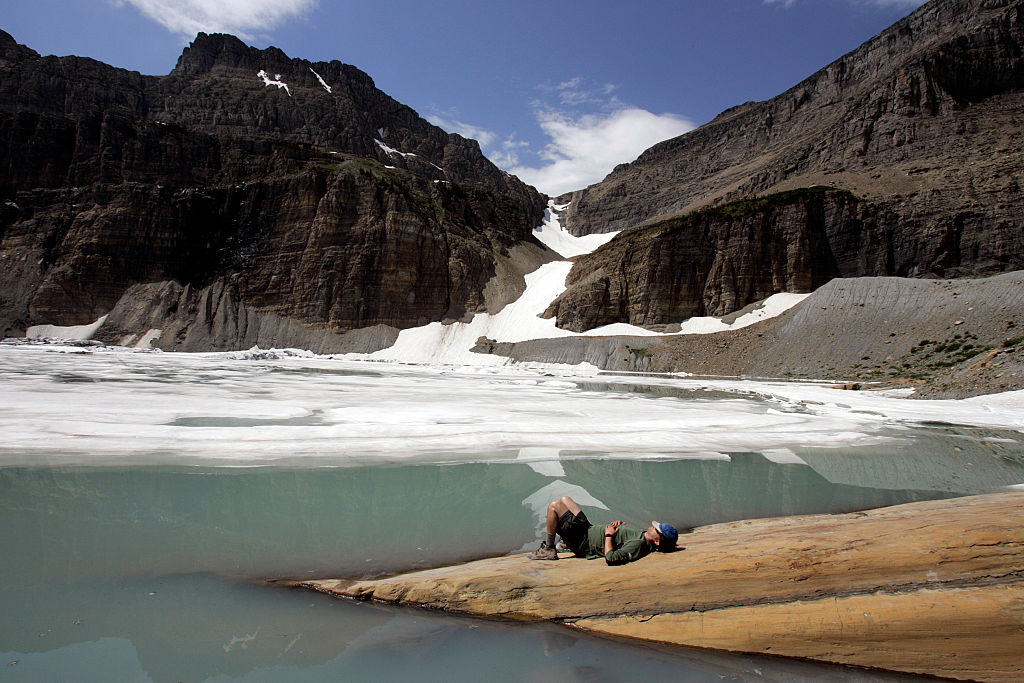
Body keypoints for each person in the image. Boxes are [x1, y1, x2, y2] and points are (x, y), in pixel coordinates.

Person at [527, 495, 678, 565]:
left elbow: (611, 558)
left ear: (657, 540)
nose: (653, 526)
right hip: (587, 529)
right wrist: (620, 526)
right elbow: (623, 538)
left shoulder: (639, 544)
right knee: (565, 499)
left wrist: (608, 536)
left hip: (584, 542)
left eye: (657, 529)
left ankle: (549, 548)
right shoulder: (641, 536)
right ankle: (565, 542)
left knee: (554, 506)